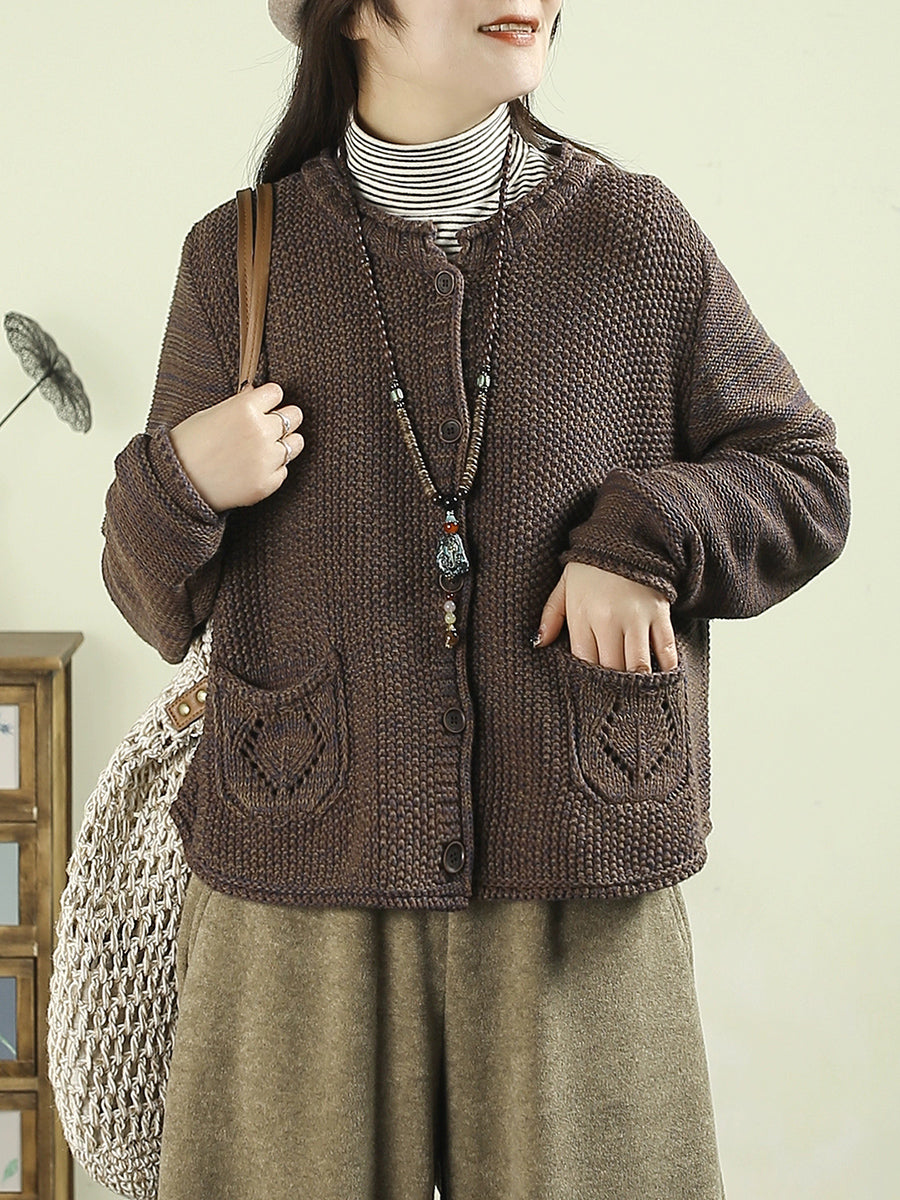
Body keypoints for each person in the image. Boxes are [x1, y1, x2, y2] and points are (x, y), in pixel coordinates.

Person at [100, 2, 851, 1197]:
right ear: (354, 12)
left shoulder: (635, 238)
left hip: (578, 876)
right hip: (300, 875)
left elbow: (805, 476)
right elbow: (150, 602)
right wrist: (184, 476)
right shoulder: (237, 258)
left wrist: (647, 536)